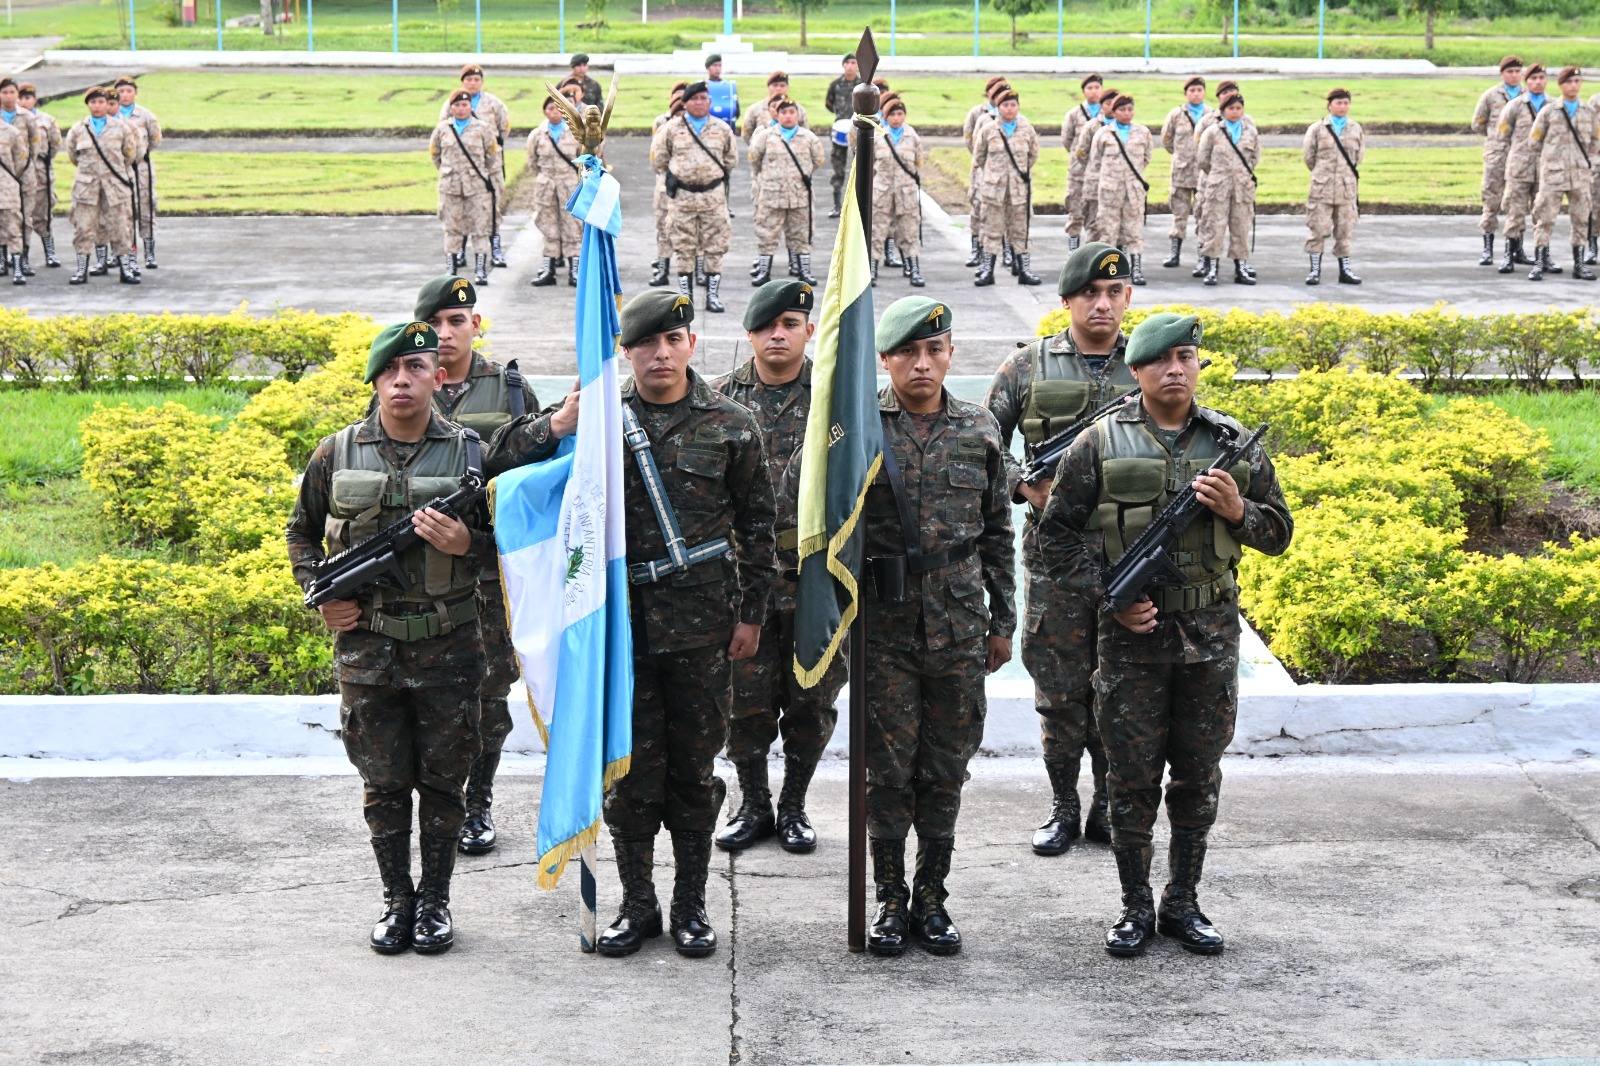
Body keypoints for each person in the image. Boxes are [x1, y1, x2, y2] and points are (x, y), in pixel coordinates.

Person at [489, 289, 777, 959]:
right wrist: (558, 423)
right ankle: (638, 904)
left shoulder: (732, 424)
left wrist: (752, 615)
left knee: (693, 772)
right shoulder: (598, 420)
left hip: (704, 629)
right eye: (645, 342)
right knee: (630, 772)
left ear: (691, 344)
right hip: (620, 632)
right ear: (625, 351)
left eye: (673, 339)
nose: (660, 353)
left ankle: (691, 905)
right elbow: (503, 464)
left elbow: (760, 527)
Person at [1034, 311, 1292, 958]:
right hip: (1131, 644)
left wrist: (1239, 510)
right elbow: (1055, 536)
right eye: (1160, 360)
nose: (1175, 370)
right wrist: (1110, 598)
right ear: (1137, 369)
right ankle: (1134, 907)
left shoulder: (1233, 442)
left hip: (1210, 639)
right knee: (1131, 780)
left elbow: (1279, 533)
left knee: (1198, 777)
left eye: (1186, 357)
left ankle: (1183, 902)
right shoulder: (1098, 442)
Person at [286, 321, 493, 956]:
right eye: (390, 371)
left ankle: (435, 903)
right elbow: (301, 532)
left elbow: (516, 545)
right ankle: (397, 899)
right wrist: (320, 595)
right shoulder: (336, 453)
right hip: (367, 649)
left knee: (444, 783)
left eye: (416, 368)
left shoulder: (473, 456)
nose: (402, 380)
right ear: (375, 380)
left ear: (439, 376)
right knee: (383, 783)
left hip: (449, 644)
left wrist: (469, 543)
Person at [861, 296, 1015, 958]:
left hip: (959, 624)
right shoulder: (858, 427)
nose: (921, 364)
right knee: (889, 769)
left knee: (946, 767)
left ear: (951, 354)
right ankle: (890, 899)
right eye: (907, 353)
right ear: (885, 359)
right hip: (883, 627)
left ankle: (931, 897)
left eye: (934, 350)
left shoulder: (979, 427)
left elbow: (998, 531)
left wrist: (1003, 620)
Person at [987, 242, 1133, 856]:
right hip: (1053, 554)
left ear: (1127, 297)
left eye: (1114, 292)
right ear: (1068, 299)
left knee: (1122, 685)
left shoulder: (1146, 365)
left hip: (1129, 551)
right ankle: (1063, 805)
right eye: (1090, 294)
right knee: (1059, 688)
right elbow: (984, 441)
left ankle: (1109, 807)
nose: (1103, 304)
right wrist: (1025, 484)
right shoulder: (1027, 366)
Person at [709, 281, 845, 854]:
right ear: (750, 335)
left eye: (790, 324)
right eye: (767, 326)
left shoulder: (837, 399)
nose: (778, 335)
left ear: (810, 330)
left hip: (815, 581)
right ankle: (754, 804)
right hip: (743, 585)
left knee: (812, 703)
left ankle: (794, 804)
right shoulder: (717, 400)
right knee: (744, 704)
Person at [409, 276, 540, 858]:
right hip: (422, 573)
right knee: (431, 694)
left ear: (475, 325)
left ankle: (478, 801)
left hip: (488, 573)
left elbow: (534, 481)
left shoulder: (510, 390)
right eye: (434, 323)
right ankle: (438, 800)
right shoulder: (405, 381)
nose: (445, 333)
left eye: (456, 321)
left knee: (489, 690)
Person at [653, 81, 738, 312]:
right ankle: (685, 297)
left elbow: (731, 160)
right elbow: (659, 160)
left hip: (713, 197)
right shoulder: (671, 129)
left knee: (715, 245)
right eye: (694, 99)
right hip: (683, 197)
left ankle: (712, 295)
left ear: (709, 102)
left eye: (703, 98)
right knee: (683, 246)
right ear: (685, 103)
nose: (699, 103)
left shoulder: (722, 129)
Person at [62, 86, 140, 285]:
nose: (97, 106)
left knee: (120, 227)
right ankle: (81, 270)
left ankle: (125, 270)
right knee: (83, 228)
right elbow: (73, 156)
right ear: (88, 105)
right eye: (93, 102)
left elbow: (130, 155)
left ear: (108, 104)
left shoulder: (121, 128)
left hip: (114, 186)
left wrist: (113, 172)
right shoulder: (78, 129)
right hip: (87, 187)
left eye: (101, 102)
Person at [1527, 66, 1598, 282]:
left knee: (1581, 219)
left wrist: (1585, 162)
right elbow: (1534, 141)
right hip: (1554, 175)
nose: (1573, 86)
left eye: (1577, 81)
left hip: (1580, 175)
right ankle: (1540, 262)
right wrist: (1550, 160)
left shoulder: (1589, 112)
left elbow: (1596, 141)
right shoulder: (1549, 111)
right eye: (1569, 82)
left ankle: (1579, 264)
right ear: (1560, 85)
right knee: (1545, 218)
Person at [437, 64, 510, 268]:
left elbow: (504, 128)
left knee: (491, 208)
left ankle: (495, 248)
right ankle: (459, 250)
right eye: (468, 79)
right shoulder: (451, 103)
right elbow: (441, 132)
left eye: (476, 80)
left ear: (482, 82)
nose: (472, 83)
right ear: (462, 82)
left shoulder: (494, 103)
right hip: (459, 169)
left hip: (490, 167)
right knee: (459, 211)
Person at [749, 98, 825, 287]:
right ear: (777, 115)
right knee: (766, 233)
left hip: (799, 196)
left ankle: (804, 271)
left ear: (798, 115)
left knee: (802, 234)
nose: (788, 116)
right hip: (771, 196)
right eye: (784, 112)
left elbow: (818, 160)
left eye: (792, 112)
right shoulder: (766, 136)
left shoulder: (809, 138)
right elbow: (754, 159)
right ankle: (764, 272)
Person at [429, 89, 499, 285]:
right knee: (451, 228)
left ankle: (480, 269)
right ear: (451, 108)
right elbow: (435, 154)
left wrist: (480, 173)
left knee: (480, 228)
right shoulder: (442, 129)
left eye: (465, 105)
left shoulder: (483, 128)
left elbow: (492, 156)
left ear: (470, 107)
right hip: (450, 187)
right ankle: (451, 268)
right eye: (457, 105)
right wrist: (448, 171)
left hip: (476, 187)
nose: (461, 109)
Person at [972, 86, 1040, 286]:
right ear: (998, 107)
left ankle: (1024, 270)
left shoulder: (1027, 129)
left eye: (1013, 105)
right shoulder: (988, 130)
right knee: (991, 230)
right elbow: (980, 157)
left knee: (1020, 230)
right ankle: (987, 271)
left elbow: (1033, 155)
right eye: (1005, 105)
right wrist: (994, 175)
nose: (1010, 108)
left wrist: (1018, 174)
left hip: (1019, 191)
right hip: (994, 191)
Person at [526, 93, 594, 287]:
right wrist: (545, 178)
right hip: (546, 186)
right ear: (544, 111)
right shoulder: (537, 134)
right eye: (550, 108)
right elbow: (532, 162)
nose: (554, 112)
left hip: (569, 184)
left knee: (573, 226)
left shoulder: (576, 132)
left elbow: (585, 158)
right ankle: (549, 269)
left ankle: (575, 270)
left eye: (557, 108)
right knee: (548, 227)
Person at [1301, 87, 1365, 286]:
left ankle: (1345, 271)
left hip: (1346, 189)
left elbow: (1359, 157)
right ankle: (1314, 270)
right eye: (1338, 103)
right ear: (1329, 105)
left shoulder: (1355, 128)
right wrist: (1323, 173)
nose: (1342, 107)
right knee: (1317, 229)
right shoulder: (1317, 129)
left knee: (1345, 231)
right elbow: (1309, 157)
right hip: (1322, 188)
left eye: (1346, 103)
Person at [1195, 90, 1260, 286]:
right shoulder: (1212, 132)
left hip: (1242, 188)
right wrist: (1218, 174)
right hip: (1218, 187)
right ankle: (1212, 268)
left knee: (1241, 227)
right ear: (1223, 111)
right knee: (1214, 227)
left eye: (1239, 108)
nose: (1235, 111)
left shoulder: (1250, 132)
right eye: (1231, 108)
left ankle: (1241, 268)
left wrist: (1241, 174)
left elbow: (1255, 158)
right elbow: (1203, 159)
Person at [1088, 93, 1151, 285]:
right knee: (1108, 230)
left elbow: (1146, 157)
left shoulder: (1143, 133)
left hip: (1133, 190)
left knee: (1134, 230)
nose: (1126, 113)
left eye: (1130, 109)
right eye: (1122, 109)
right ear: (1114, 112)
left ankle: (1136, 269)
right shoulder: (1104, 134)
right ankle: (1110, 269)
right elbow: (1095, 160)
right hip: (1110, 190)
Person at [1496, 62, 1548, 273]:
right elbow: (1502, 133)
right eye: (1533, 78)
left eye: (1541, 78)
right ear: (1527, 82)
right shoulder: (1515, 106)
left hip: (1545, 168)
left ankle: (1543, 257)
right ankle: (1509, 255)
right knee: (1515, 213)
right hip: (1519, 167)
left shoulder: (1554, 106)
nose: (1538, 82)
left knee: (1543, 214)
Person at [1473, 57, 1524, 266]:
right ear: (1502, 73)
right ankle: (1488, 249)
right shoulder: (1491, 96)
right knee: (1491, 200)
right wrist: (1495, 138)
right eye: (1510, 71)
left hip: (1521, 157)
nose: (1514, 75)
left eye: (1517, 71)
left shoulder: (1527, 96)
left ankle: (1517, 249)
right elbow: (1478, 123)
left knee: (1518, 201)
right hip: (1497, 155)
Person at [872, 96, 926, 288]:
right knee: (877, 231)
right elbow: (870, 164)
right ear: (886, 116)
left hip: (906, 193)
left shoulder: (912, 137)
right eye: (892, 114)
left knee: (909, 231)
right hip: (882, 192)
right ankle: (872, 270)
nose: (896, 118)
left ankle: (914, 269)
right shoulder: (877, 136)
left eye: (900, 114)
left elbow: (919, 162)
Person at [112, 76, 160, 272]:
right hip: (119, 168)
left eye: (128, 91)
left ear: (135, 93)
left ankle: (149, 253)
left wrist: (139, 156)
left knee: (146, 209)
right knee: (123, 212)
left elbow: (155, 140)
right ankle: (126, 254)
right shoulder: (111, 115)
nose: (125, 95)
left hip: (141, 168)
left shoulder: (146, 116)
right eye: (121, 91)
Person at [1160, 77, 1206, 269]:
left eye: (1199, 90)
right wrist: (1180, 155)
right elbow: (1166, 140)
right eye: (1192, 90)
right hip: (1181, 172)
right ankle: (1174, 253)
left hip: (1204, 173)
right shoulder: (1176, 115)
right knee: (1179, 214)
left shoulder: (1211, 115)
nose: (1196, 94)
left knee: (1204, 215)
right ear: (1186, 93)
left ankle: (1203, 256)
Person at [1071, 86, 1119, 270]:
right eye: (1108, 103)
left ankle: (1111, 264)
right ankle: (1089, 265)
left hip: (1116, 185)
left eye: (1115, 103)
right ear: (1102, 105)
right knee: (1093, 225)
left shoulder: (1127, 129)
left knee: (1114, 226)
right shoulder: (1092, 126)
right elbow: (1081, 152)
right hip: (1094, 183)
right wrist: (1095, 169)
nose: (1111, 107)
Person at [17, 83, 62, 270]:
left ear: (35, 99)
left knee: (43, 215)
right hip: (18, 173)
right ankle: (20, 256)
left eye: (28, 97)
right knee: (18, 217)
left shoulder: (47, 120)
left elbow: (55, 145)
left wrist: (42, 162)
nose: (24, 101)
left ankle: (50, 252)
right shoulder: (10, 120)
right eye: (21, 97)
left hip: (41, 172)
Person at [0, 77, 42, 278]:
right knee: (3, 218)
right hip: (3, 176)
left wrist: (20, 171)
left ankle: (22, 258)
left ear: (17, 94)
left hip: (23, 174)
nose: (8, 96)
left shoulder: (27, 117)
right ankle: (3, 259)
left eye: (12, 92)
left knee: (24, 217)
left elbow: (34, 146)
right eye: (4, 92)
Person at [966, 76, 1009, 266]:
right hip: (982, 171)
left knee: (1006, 212)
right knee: (978, 210)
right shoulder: (978, 114)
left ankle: (1006, 251)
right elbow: (971, 140)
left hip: (1004, 172)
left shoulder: (1010, 114)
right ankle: (976, 250)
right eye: (996, 91)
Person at [1062, 74, 1106, 253]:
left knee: (1095, 214)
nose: (1094, 91)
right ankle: (1073, 250)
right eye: (1090, 88)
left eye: (1097, 87)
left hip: (1100, 172)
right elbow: (1067, 140)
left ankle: (1091, 252)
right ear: (1083, 91)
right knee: (1075, 211)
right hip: (1078, 172)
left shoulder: (1107, 114)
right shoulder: (1074, 114)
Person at [649, 84, 688, 288]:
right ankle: (663, 269)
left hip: (690, 189)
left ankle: (697, 271)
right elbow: (656, 158)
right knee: (664, 228)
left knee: (692, 231)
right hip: (666, 186)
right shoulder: (663, 126)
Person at [824, 53, 864, 219]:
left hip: (858, 130)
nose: (850, 66)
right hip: (840, 129)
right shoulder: (835, 85)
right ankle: (837, 205)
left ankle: (859, 205)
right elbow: (829, 103)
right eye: (847, 63)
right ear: (843, 65)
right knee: (838, 167)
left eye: (853, 63)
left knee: (860, 167)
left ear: (857, 66)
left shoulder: (863, 85)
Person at [0, 107, 25, 285]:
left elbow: (21, 160)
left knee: (13, 227)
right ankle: (2, 263)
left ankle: (17, 267)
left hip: (7, 187)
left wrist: (9, 178)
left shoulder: (11, 132)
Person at [745, 71, 807, 142]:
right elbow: (746, 134)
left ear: (787, 87)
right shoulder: (755, 109)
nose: (778, 88)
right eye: (775, 85)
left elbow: (805, 133)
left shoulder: (799, 109)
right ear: (768, 87)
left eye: (782, 85)